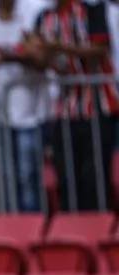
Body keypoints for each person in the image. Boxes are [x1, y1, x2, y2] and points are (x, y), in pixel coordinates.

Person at [32, 0, 119, 211]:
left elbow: (100, 50)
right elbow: (42, 60)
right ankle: (71, 227)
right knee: (66, 175)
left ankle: (99, 227)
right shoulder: (43, 17)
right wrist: (33, 52)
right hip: (65, 108)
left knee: (95, 176)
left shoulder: (92, 10)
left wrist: (58, 47)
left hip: (99, 106)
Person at [0, 0, 48, 213]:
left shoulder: (35, 8)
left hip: (33, 109)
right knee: (5, 176)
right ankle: (12, 227)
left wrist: (8, 57)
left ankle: (34, 227)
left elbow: (41, 57)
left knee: (28, 176)